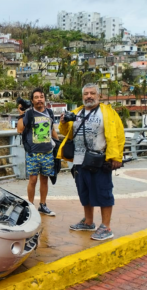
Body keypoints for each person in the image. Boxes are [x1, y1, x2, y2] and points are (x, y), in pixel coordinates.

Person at [57, 83, 124, 241]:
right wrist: (63, 122)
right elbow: (66, 132)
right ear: (82, 96)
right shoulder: (76, 112)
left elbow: (118, 135)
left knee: (103, 192)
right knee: (84, 191)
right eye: (86, 93)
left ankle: (106, 227)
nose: (89, 96)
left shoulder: (107, 112)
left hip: (99, 160)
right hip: (79, 160)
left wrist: (116, 156)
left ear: (98, 96)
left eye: (92, 93)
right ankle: (88, 222)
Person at [17, 88, 59, 216]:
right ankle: (30, 205)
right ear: (32, 100)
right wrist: (21, 114)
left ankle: (43, 204)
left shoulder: (50, 113)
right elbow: (19, 130)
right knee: (33, 180)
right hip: (33, 153)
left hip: (47, 152)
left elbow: (52, 130)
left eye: (41, 97)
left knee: (44, 180)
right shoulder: (29, 114)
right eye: (36, 97)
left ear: (44, 99)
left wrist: (58, 145)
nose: (39, 99)